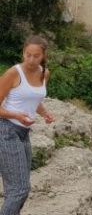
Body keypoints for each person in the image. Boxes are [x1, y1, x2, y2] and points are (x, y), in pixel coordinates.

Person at [0, 36, 55, 215]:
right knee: (19, 191)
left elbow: (34, 99)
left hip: (23, 133)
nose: (31, 60)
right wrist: (15, 115)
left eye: (36, 56)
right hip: (6, 130)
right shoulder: (13, 73)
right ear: (23, 52)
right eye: (28, 55)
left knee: (20, 191)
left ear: (44, 56)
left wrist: (44, 113)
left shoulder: (44, 73)